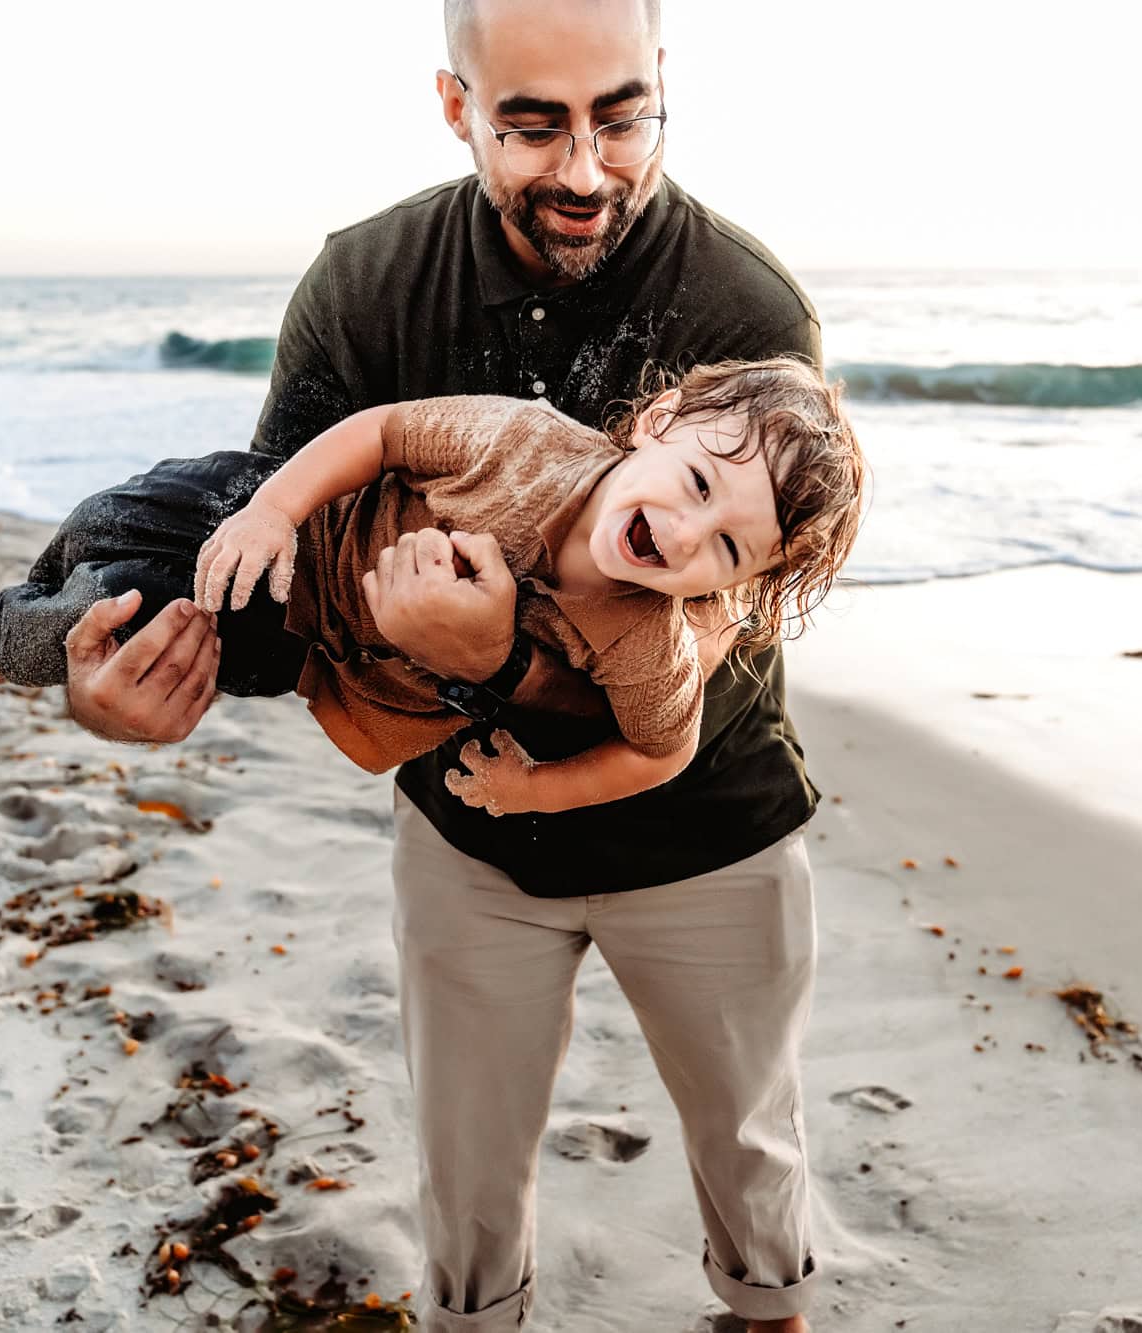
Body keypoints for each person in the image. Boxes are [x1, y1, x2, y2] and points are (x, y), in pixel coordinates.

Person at [45, 2, 831, 1327]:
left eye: (621, 114)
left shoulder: (745, 310)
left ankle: (770, 1312)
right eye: (531, 123)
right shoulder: (365, 287)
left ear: (662, 87)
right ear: (457, 103)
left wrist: (495, 659)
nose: (586, 168)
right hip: (467, 830)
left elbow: (706, 641)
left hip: (711, 829)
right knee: (467, 1180)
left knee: (751, 1151)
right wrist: (114, 692)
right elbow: (272, 577)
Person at [0, 359, 865, 820]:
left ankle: (5, 638)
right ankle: (15, 619)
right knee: (113, 514)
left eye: (729, 548)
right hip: (283, 532)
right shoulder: (520, 442)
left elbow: (659, 751)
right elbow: (387, 431)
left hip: (299, 638)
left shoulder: (648, 642)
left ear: (738, 585)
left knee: (118, 612)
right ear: (657, 419)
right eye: (697, 484)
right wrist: (274, 511)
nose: (688, 533)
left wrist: (533, 790)